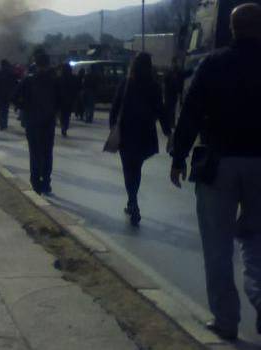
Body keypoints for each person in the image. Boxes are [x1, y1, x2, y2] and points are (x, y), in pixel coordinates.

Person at [170, 3, 261, 341]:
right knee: (257, 242)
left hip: (218, 164)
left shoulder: (213, 63)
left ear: (232, 29)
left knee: (218, 247)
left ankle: (226, 320)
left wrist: (178, 157)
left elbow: (190, 113)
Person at [110, 52, 171, 227]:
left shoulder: (126, 83)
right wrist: (168, 132)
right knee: (136, 169)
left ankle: (133, 202)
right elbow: (161, 111)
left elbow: (115, 108)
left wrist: (113, 127)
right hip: (145, 135)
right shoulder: (154, 86)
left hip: (127, 134)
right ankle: (132, 201)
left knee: (129, 170)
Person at [13, 50, 60, 195]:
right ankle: (46, 182)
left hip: (32, 122)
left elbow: (14, 97)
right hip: (48, 122)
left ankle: (35, 183)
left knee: (34, 153)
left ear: (36, 63)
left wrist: (25, 107)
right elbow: (61, 101)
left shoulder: (28, 80)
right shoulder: (54, 81)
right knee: (47, 153)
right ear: (48, 64)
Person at [0, 59, 17, 131]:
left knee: (1, 110)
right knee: (5, 110)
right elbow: (14, 84)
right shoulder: (11, 73)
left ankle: (1, 125)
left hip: (0, 94)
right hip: (7, 94)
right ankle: (4, 124)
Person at [58, 63, 80, 137]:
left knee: (62, 114)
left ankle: (63, 126)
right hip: (70, 99)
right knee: (67, 114)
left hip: (61, 99)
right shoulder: (73, 78)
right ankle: (65, 126)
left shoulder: (60, 78)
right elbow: (76, 88)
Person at [164, 58, 184, 128]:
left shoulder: (175, 72)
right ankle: (170, 123)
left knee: (172, 110)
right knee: (170, 110)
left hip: (172, 94)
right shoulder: (170, 72)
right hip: (169, 94)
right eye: (174, 63)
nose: (174, 64)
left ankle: (171, 123)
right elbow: (166, 81)